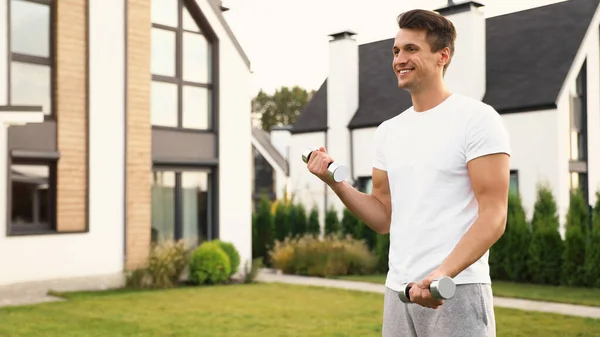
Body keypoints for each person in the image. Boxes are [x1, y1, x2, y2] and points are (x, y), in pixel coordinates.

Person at [305, 8, 511, 337]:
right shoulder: (388, 131)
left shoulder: (477, 119)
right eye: (396, 51)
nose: (399, 58)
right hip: (398, 291)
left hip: (455, 288)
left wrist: (442, 275)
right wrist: (335, 181)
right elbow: (383, 216)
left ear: (442, 55)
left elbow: (494, 215)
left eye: (411, 49)